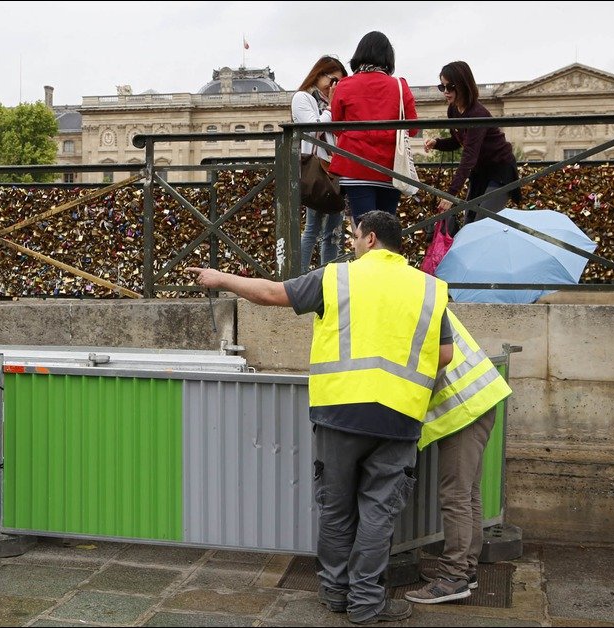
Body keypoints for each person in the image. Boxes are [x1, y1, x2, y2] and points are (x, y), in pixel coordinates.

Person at [188, 211, 453, 624]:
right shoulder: (430, 289)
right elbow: (445, 355)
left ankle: (334, 593)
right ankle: (367, 605)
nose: (351, 243)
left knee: (336, 508)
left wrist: (220, 278)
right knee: (378, 513)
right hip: (400, 416)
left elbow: (272, 293)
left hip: (340, 412)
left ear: (369, 239)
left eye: (354, 236)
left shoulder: (338, 278)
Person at [405, 309, 513, 605]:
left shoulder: (407, 308)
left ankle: (452, 578)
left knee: (455, 496)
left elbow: (430, 364)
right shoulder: (426, 297)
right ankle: (466, 569)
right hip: (478, 400)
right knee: (467, 494)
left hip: (463, 410)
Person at [328, 31, 418, 225]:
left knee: (364, 229)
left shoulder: (345, 85)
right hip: (390, 169)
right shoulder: (399, 86)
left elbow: (336, 127)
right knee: (386, 231)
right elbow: (412, 129)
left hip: (355, 166)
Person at [424, 61, 521, 227]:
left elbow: (469, 156)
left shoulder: (478, 114)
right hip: (480, 173)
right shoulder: (453, 110)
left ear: (463, 85)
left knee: (482, 223)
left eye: (450, 87)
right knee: (469, 223)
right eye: (442, 87)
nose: (446, 92)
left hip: (500, 170)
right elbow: (459, 141)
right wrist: (437, 143)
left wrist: (451, 194)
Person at [292, 55, 348, 272]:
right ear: (319, 74)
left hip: (334, 168)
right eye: (333, 80)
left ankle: (329, 278)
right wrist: (332, 108)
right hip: (315, 167)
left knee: (334, 232)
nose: (335, 87)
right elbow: (313, 128)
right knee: (313, 228)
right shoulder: (302, 98)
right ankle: (300, 277)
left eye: (340, 83)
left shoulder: (327, 102)